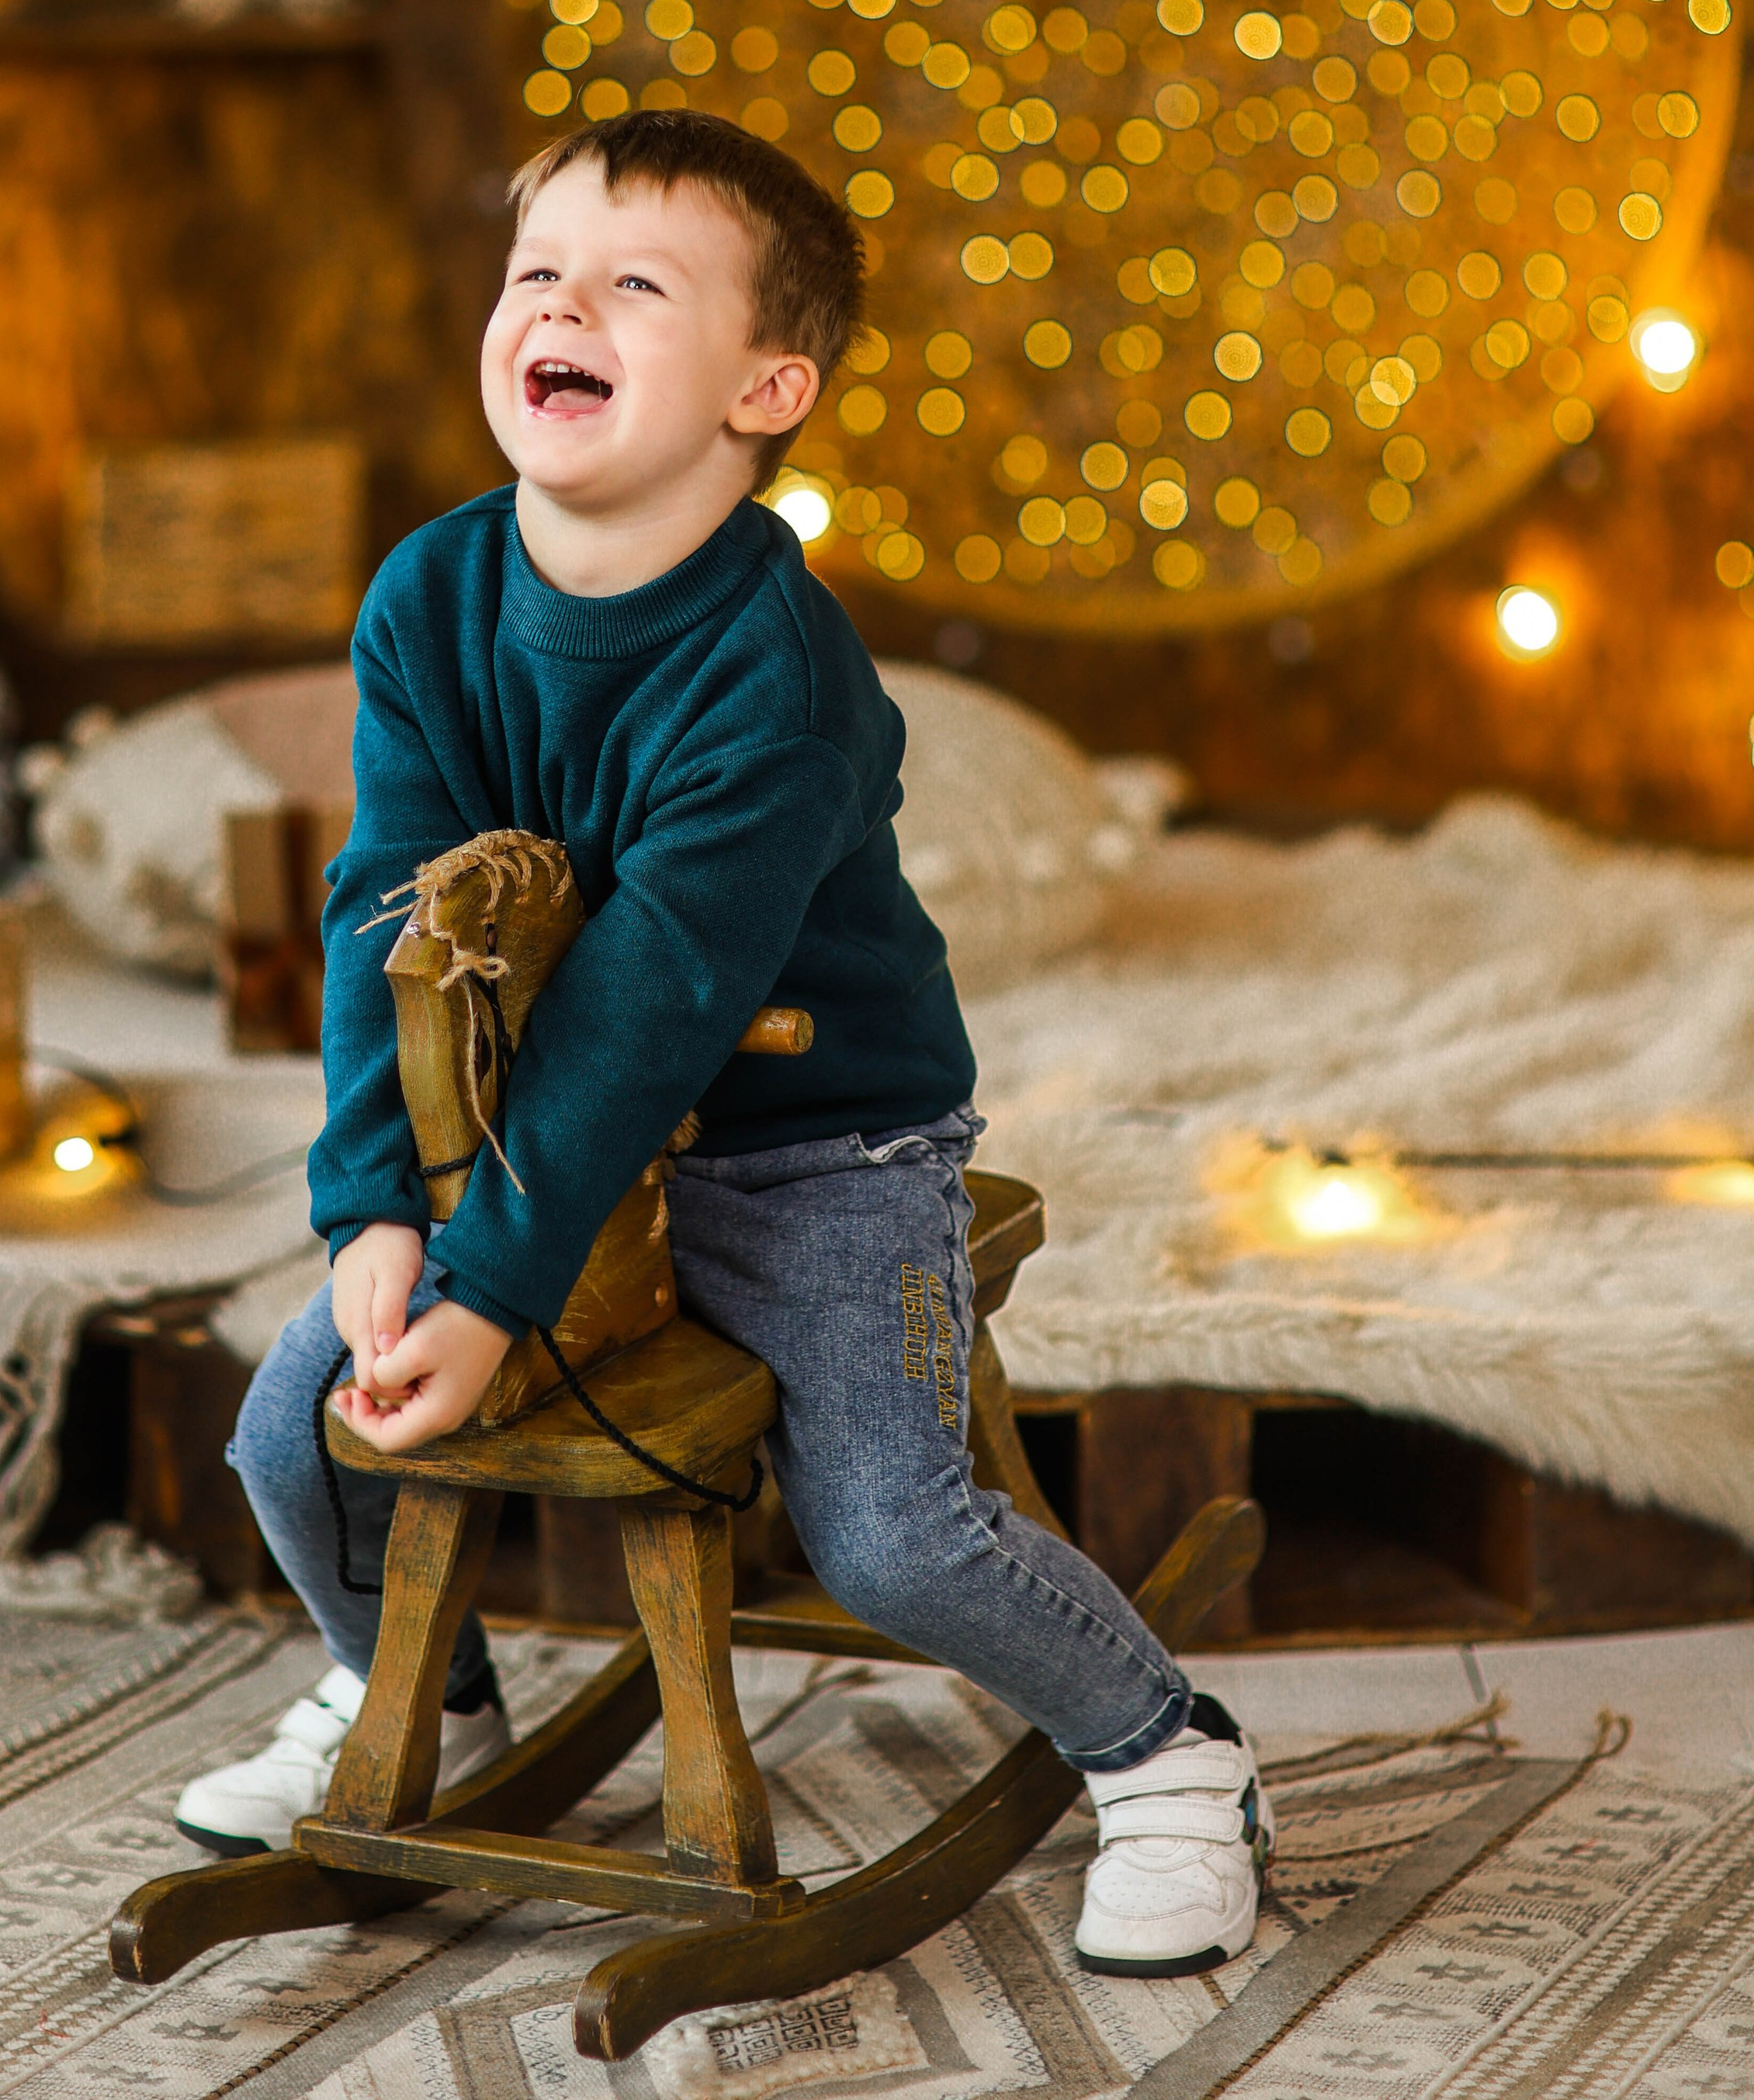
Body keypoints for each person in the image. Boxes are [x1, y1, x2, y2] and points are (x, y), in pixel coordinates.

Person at [176, 107, 1270, 1977]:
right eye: (536, 271)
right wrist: (374, 1209)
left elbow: (649, 1003)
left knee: (894, 1537)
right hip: (513, 1138)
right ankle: (418, 1696)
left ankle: (1164, 1753)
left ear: (765, 388)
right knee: (290, 1436)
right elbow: (385, 917)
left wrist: (489, 1293)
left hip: (805, 1145)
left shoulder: (774, 677)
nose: (559, 306)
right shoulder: (429, 598)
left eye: (632, 284)